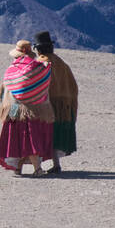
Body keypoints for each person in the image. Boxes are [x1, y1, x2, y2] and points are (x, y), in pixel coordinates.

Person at [0, 39, 56, 175]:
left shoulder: (12, 69)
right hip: (35, 110)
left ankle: (28, 168)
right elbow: (43, 84)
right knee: (30, 139)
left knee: (18, 139)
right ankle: (27, 168)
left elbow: (5, 88)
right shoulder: (40, 68)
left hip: (15, 111)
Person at [32, 31, 78, 173]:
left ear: (38, 49)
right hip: (65, 106)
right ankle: (56, 164)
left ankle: (37, 165)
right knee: (56, 135)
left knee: (41, 134)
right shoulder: (61, 63)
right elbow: (73, 86)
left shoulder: (41, 63)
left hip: (48, 105)